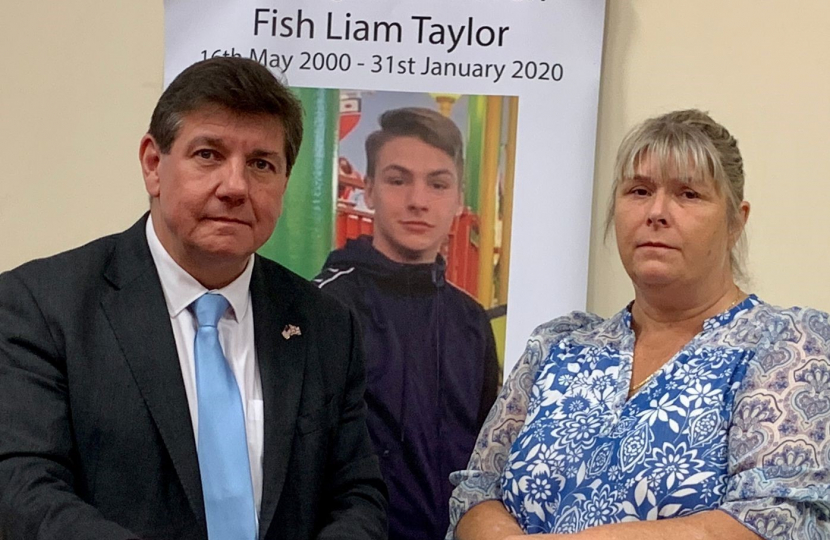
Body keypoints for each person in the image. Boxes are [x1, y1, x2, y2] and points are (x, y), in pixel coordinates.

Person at [0, 57, 387, 540]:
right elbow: (24, 490)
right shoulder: (43, 306)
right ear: (152, 164)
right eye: (208, 155)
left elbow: (357, 496)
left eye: (261, 164)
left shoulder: (325, 323)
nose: (235, 187)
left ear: (286, 181)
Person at [447, 109, 830, 539]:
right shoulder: (559, 345)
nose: (657, 212)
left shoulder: (786, 345)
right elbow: (476, 491)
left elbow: (775, 520)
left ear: (735, 222)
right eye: (639, 190)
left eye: (688, 194)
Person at [315, 107, 499, 540]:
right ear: (369, 189)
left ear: (457, 199)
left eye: (438, 184)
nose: (418, 200)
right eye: (398, 180)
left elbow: (488, 461)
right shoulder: (323, 308)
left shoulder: (470, 322)